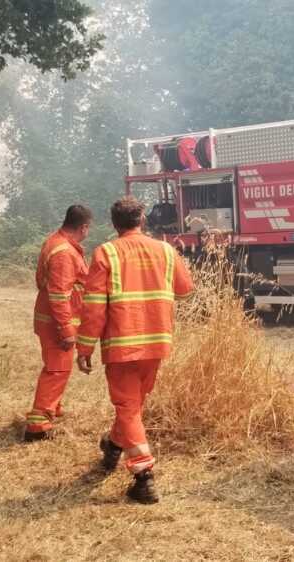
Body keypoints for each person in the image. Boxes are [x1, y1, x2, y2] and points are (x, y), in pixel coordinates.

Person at [77, 197, 193, 504]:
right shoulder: (166, 251)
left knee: (128, 408)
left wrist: (85, 346)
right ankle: (114, 445)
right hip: (157, 342)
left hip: (122, 345)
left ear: (114, 224)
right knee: (132, 407)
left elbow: (93, 309)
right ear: (142, 220)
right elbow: (184, 290)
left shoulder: (106, 252)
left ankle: (144, 478)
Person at [24, 205, 93, 442]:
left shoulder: (55, 241)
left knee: (58, 367)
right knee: (57, 369)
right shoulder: (64, 252)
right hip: (57, 323)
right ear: (83, 227)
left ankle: (53, 408)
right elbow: (59, 294)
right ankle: (38, 425)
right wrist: (67, 330)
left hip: (51, 319)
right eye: (88, 229)